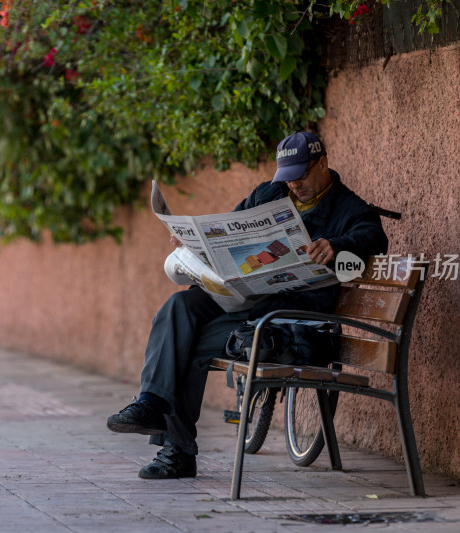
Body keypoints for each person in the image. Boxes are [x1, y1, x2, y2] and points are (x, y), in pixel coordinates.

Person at [106, 131, 388, 479]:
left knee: (190, 344)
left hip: (285, 315)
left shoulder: (350, 209)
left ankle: (176, 452)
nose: (294, 185)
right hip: (244, 299)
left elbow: (375, 237)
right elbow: (228, 229)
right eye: (287, 177)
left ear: (323, 164)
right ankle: (151, 402)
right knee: (181, 306)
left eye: (300, 175)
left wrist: (339, 245)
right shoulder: (269, 193)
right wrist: (195, 244)